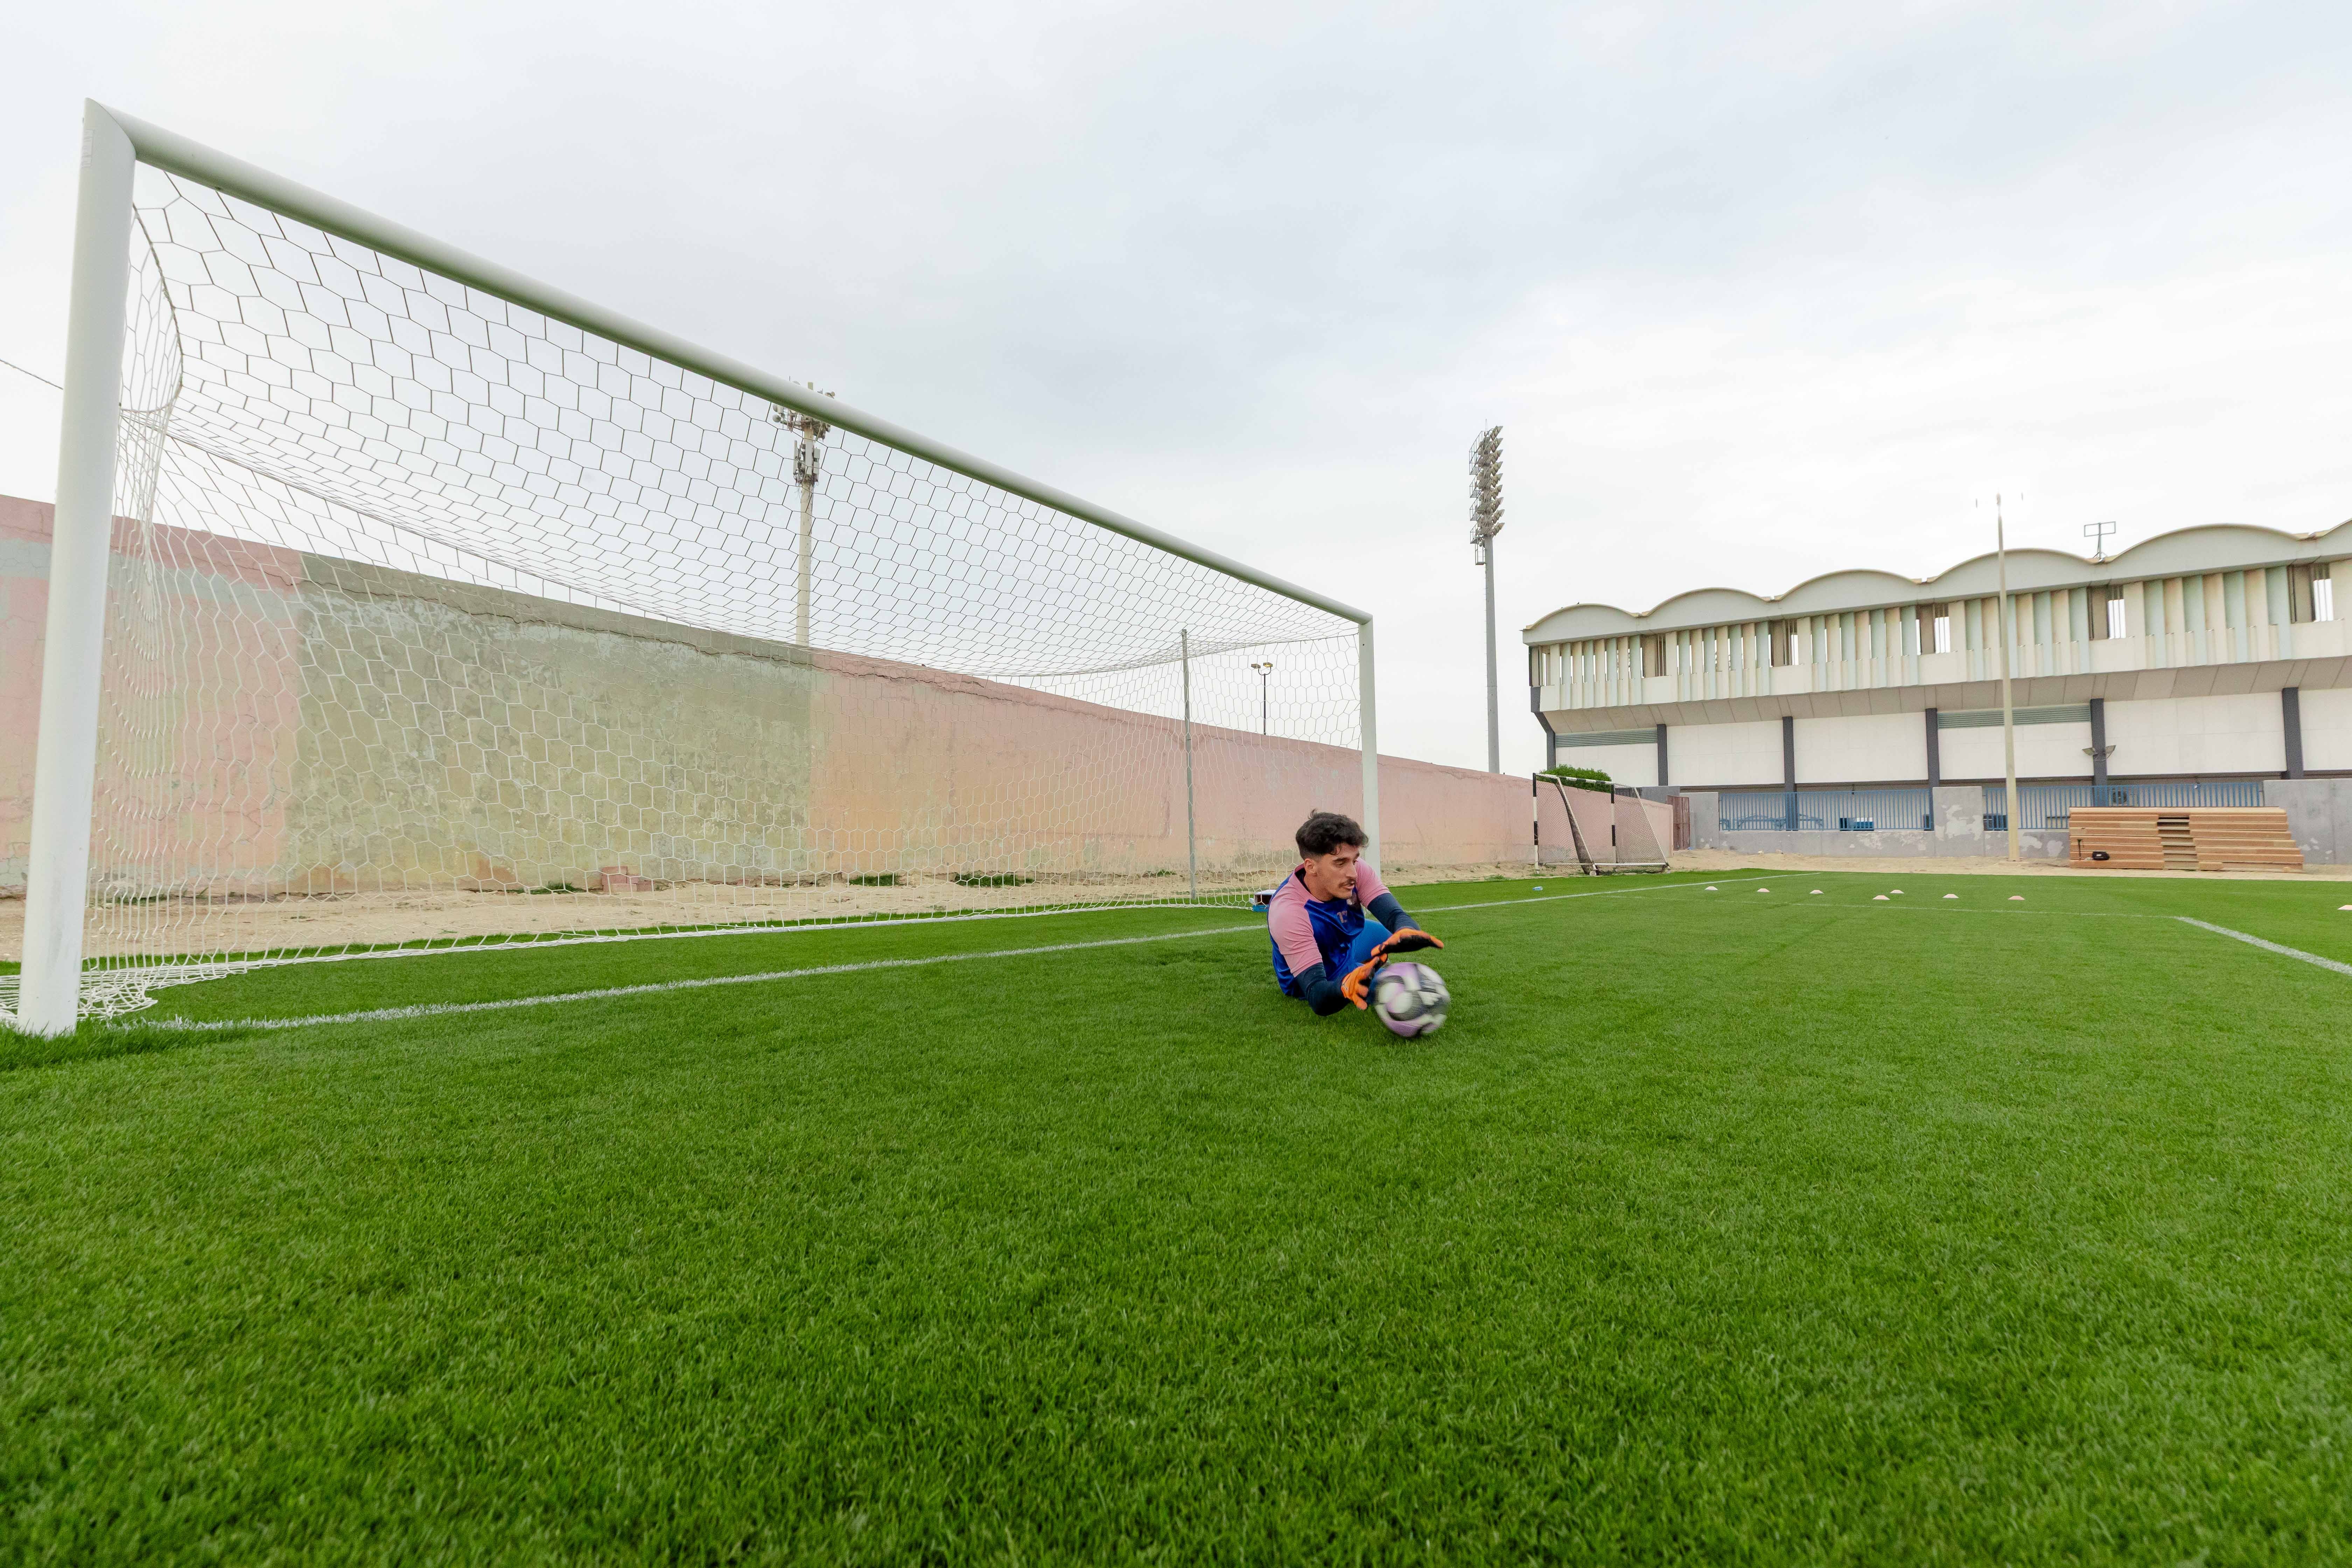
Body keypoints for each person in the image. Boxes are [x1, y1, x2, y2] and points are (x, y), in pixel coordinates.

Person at [1266, 810, 1442, 1016]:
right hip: (1323, 973)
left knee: (1393, 938)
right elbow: (1318, 995)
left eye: (1354, 860)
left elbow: (1395, 916)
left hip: (1349, 942)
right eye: (1340, 863)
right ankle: (1356, 976)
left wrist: (1407, 928)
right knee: (1403, 991)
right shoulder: (1289, 912)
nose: (1352, 873)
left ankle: (1364, 967)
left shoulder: (1357, 871)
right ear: (1311, 867)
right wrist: (1342, 988)